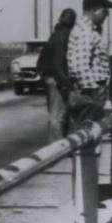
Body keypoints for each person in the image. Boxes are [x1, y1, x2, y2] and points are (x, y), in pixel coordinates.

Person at [66, 0, 112, 128]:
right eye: (105, 11)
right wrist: (94, 92)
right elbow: (81, 65)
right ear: (96, 10)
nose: (107, 15)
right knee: (88, 133)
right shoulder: (85, 32)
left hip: (89, 91)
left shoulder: (88, 29)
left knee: (91, 133)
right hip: (89, 92)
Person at [36, 8, 77, 141]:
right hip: (57, 79)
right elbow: (58, 65)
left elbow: (41, 61)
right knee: (58, 117)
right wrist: (68, 84)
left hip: (50, 78)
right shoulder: (64, 36)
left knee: (57, 115)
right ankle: (56, 150)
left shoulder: (55, 34)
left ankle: (57, 147)